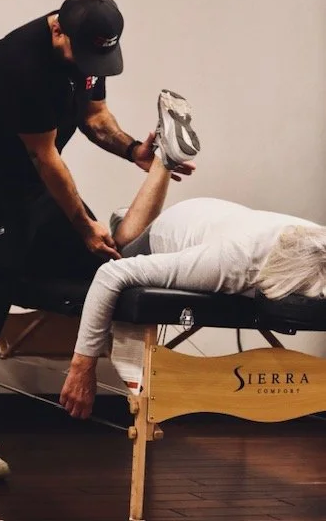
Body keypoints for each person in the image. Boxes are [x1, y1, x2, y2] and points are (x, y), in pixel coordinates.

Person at [0, 0, 197, 480]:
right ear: (58, 29)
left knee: (103, 266)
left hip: (36, 189)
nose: (90, 68)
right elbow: (46, 157)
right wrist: (82, 224)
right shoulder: (20, 63)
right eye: (85, 56)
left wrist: (134, 152)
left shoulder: (88, 48)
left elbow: (94, 117)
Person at [60, 96, 326, 420]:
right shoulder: (232, 265)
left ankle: (125, 215)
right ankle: (163, 162)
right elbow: (111, 275)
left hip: (221, 219)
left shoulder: (315, 239)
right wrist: (82, 366)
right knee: (119, 249)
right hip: (177, 230)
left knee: (125, 233)